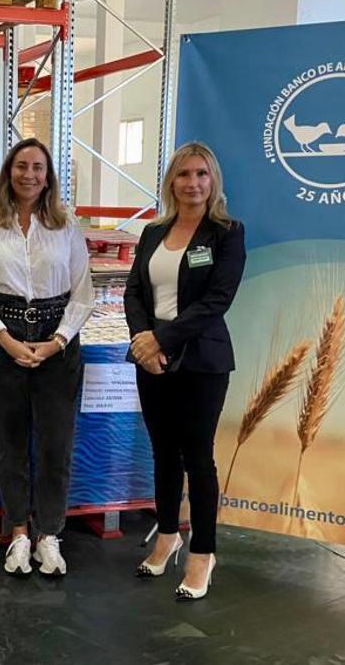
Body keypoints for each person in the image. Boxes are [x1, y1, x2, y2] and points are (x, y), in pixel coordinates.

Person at [0, 138, 94, 577]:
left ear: (48, 175)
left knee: (56, 446)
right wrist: (6, 340)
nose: (29, 174)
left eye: (38, 167)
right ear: (8, 172)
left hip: (58, 343)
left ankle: (49, 535)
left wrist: (56, 341)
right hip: (1, 343)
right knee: (8, 445)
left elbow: (83, 293)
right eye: (21, 166)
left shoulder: (66, 223)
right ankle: (17, 533)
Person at [124, 141, 245, 601]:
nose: (192, 183)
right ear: (171, 181)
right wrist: (142, 340)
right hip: (151, 358)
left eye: (201, 174)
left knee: (198, 457)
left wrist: (163, 338)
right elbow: (135, 290)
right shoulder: (154, 232)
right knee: (162, 454)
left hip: (202, 361)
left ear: (212, 181)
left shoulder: (227, 233)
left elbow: (217, 300)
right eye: (183, 175)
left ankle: (203, 552)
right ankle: (168, 534)